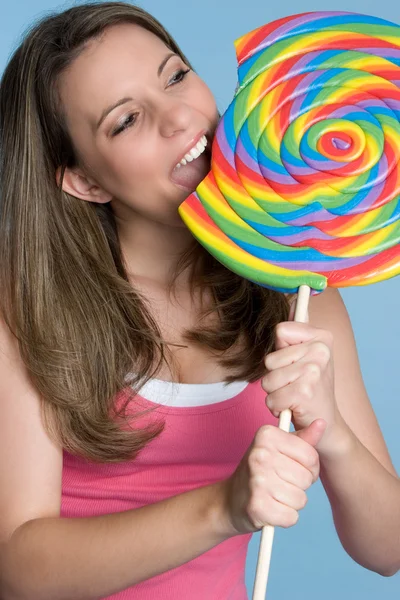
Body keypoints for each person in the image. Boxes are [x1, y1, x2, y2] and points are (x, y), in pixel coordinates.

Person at [0, 3, 399, 599]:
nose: (180, 118)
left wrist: (333, 431)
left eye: (176, 75)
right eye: (126, 119)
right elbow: (18, 567)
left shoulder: (298, 295)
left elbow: (387, 550)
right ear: (84, 180)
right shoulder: (24, 307)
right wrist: (222, 507)